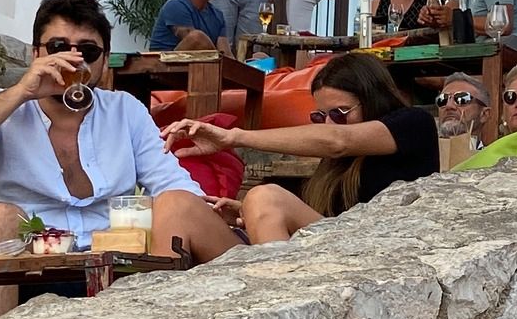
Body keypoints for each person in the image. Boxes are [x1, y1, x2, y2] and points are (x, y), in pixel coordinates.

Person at [0, 0, 236, 319]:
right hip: (25, 270)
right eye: (58, 48)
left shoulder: (124, 111)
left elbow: (172, 184)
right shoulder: (0, 105)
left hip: (112, 270)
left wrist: (210, 214)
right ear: (35, 53)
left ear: (104, 60)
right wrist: (22, 92)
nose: (72, 60)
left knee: (176, 203)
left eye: (88, 51)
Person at [169, 48, 438, 243]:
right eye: (321, 117)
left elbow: (338, 141)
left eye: (339, 113)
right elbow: (325, 221)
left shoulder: (414, 124)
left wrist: (234, 137)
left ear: (372, 99)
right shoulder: (336, 162)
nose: (329, 124)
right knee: (179, 208)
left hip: (387, 248)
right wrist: (247, 212)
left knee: (265, 197)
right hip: (342, 245)